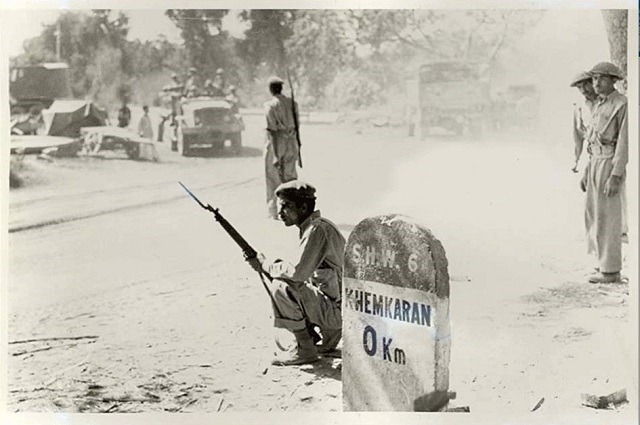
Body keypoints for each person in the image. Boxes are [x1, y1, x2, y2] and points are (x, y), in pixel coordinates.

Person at [247, 180, 345, 366]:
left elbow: (297, 273)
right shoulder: (313, 228)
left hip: (338, 316)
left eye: (286, 207)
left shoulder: (318, 230)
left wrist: (265, 264)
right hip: (336, 315)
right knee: (284, 279)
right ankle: (310, 341)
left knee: (282, 286)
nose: (280, 213)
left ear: (303, 207)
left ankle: (305, 349)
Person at [581, 62, 628, 284]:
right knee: (594, 215)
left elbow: (623, 143)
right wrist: (587, 170)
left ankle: (611, 270)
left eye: (601, 78)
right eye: (593, 79)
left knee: (609, 216)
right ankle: (602, 264)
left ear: (613, 80)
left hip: (609, 162)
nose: (596, 83)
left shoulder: (621, 104)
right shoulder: (598, 104)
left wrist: (616, 175)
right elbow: (591, 140)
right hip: (596, 161)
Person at [263, 76, 301, 219]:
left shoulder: (270, 106)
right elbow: (297, 126)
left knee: (273, 178)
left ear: (271, 89)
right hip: (291, 144)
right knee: (290, 178)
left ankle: (274, 212)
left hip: (277, 143)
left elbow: (272, 130)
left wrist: (275, 155)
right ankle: (293, 211)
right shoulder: (293, 104)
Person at [570, 71, 598, 173]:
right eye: (579, 87)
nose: (583, 90)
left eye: (586, 85)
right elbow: (577, 135)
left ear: (592, 82)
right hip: (592, 152)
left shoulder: (606, 100)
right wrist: (576, 160)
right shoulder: (579, 106)